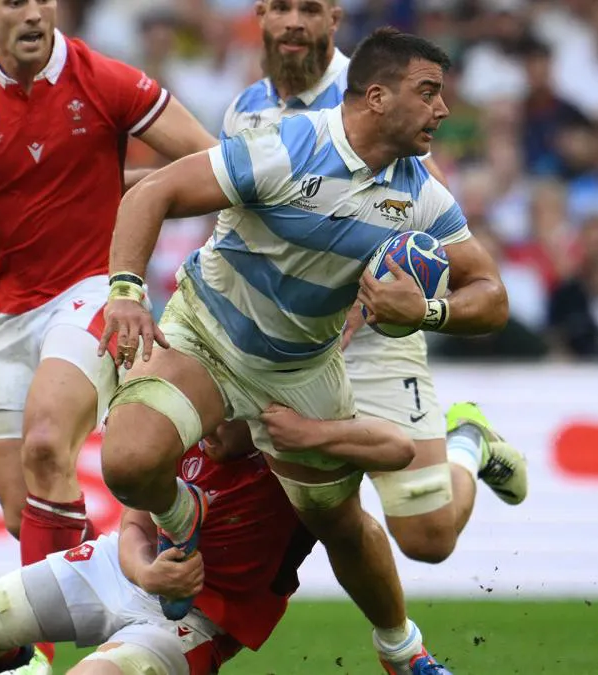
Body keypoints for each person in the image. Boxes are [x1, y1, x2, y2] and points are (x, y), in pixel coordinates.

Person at [98, 27, 508, 675]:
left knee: (339, 524)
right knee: (126, 463)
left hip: (302, 368)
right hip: (209, 334)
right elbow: (153, 192)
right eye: (428, 92)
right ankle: (183, 513)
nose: (443, 109)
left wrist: (428, 312)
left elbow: (491, 293)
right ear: (378, 97)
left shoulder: (421, 195)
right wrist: (126, 290)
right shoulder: (287, 146)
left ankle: (403, 650)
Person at [0, 0, 216, 662]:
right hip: (3, 312)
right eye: (14, 0)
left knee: (48, 444)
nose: (33, 12)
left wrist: (145, 197)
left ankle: (35, 659)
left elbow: (210, 161)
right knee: (23, 512)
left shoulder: (104, 80)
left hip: (93, 288)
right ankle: (140, 556)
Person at [220, 0, 527, 567]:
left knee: (428, 539)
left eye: (309, 9)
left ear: (334, 19)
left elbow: (421, 200)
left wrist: (374, 306)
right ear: (259, 15)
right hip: (278, 344)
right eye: (281, 7)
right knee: (259, 478)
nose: (294, 22)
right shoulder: (246, 106)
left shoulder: (371, 90)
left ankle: (467, 441)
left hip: (366, 340)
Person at [0, 413, 415, 675]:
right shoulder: (183, 424)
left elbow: (399, 448)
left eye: (226, 416)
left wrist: (311, 435)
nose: (211, 428)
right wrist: (145, 571)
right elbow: (133, 527)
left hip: (199, 623)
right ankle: (22, 665)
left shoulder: (292, 456)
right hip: (119, 571)